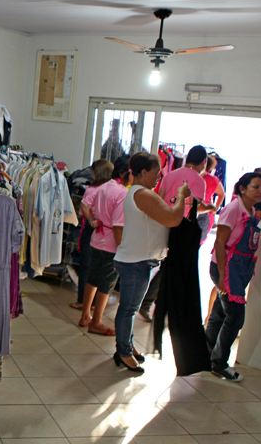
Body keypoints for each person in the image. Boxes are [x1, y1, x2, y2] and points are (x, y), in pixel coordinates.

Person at [112, 152, 189, 373]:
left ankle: (127, 346)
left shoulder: (139, 193)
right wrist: (182, 196)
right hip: (136, 261)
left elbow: (164, 215)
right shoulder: (142, 194)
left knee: (129, 308)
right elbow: (173, 219)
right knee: (128, 309)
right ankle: (124, 352)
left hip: (136, 259)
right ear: (143, 172)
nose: (159, 177)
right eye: (157, 173)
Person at [205, 172, 261, 382]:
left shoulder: (252, 210)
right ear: (243, 189)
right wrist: (221, 276)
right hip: (227, 267)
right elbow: (220, 243)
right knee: (236, 316)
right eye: (256, 187)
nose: (260, 191)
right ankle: (219, 363)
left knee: (220, 313)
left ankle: (208, 354)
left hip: (241, 268)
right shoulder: (233, 209)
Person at [78, 164, 128, 335]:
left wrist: (92, 219)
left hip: (97, 239)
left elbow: (85, 204)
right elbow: (118, 225)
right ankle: (96, 322)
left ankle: (85, 315)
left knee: (93, 278)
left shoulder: (103, 187)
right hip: (111, 243)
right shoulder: (123, 193)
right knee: (106, 284)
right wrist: (122, 249)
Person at [70, 159, 113, 310]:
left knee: (87, 266)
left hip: (92, 228)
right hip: (108, 231)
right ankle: (95, 302)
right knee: (102, 267)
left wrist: (92, 219)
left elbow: (83, 208)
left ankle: (83, 300)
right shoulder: (112, 189)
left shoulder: (92, 190)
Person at [158, 145, 217, 241]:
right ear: (204, 162)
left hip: (163, 222)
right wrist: (210, 207)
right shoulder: (198, 180)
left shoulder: (170, 175)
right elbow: (195, 207)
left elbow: (159, 199)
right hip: (180, 226)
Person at [202, 154, 227, 322]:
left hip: (197, 213)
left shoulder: (195, 177)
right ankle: (209, 318)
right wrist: (215, 208)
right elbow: (222, 194)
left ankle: (209, 318)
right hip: (205, 214)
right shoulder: (211, 179)